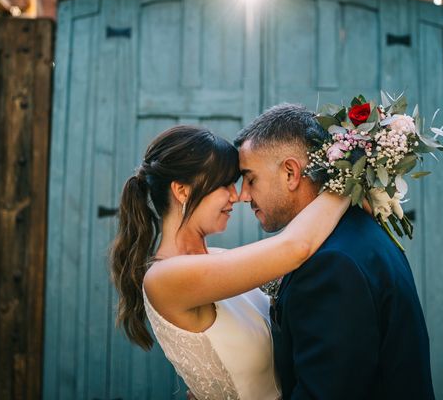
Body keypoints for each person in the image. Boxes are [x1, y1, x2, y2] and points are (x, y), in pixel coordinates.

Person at [109, 125, 350, 400]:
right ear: (182, 191)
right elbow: (296, 247)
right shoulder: (165, 277)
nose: (236, 196)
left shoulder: (220, 258)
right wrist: (350, 181)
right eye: (224, 185)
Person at [233, 103, 436, 399]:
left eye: (250, 178)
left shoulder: (331, 264)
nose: (243, 195)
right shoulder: (354, 234)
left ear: (291, 172)